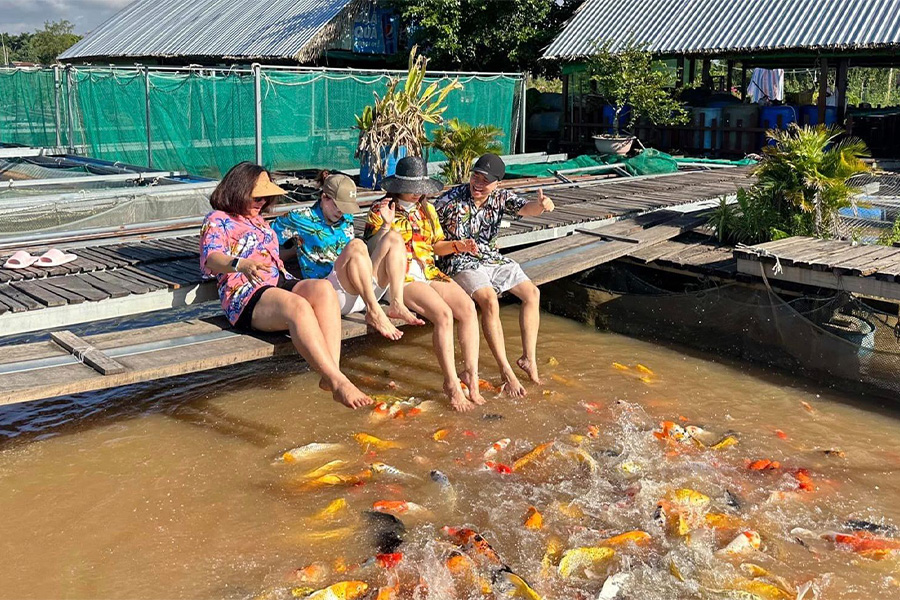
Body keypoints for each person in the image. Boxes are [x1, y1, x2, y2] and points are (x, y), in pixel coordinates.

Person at [199, 162, 371, 409]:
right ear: (238, 190)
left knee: (324, 290)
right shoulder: (218, 220)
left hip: (278, 281)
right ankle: (338, 381)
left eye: (265, 197)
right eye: (257, 196)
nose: (262, 202)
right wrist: (241, 264)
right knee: (298, 306)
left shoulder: (259, 221)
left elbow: (273, 256)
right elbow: (211, 258)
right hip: (246, 292)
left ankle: (331, 374)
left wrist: (296, 248)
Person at [364, 156, 485, 412]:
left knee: (467, 309)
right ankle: (451, 383)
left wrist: (458, 246)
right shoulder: (380, 209)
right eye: (413, 188)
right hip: (401, 277)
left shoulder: (427, 211)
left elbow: (436, 247)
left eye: (421, 189)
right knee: (443, 315)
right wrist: (386, 224)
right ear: (398, 185)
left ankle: (470, 376)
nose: (418, 194)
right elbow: (374, 251)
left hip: (429, 271)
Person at [434, 153, 554, 397]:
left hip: (490, 257)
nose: (478, 184)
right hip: (458, 259)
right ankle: (505, 370)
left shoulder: (501, 197)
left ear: (497, 183)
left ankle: (529, 358)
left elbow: (526, 208)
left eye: (485, 180)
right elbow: (430, 232)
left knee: (532, 293)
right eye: (475, 177)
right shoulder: (450, 200)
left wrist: (541, 206)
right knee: (489, 299)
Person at [271, 173, 424, 341]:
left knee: (394, 237)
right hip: (331, 296)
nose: (342, 211)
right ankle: (374, 311)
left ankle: (397, 302)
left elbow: (368, 252)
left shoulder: (347, 217)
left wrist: (385, 225)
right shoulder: (299, 218)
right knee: (356, 245)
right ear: (324, 197)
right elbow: (266, 239)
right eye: (338, 205)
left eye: (346, 207)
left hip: (362, 291)